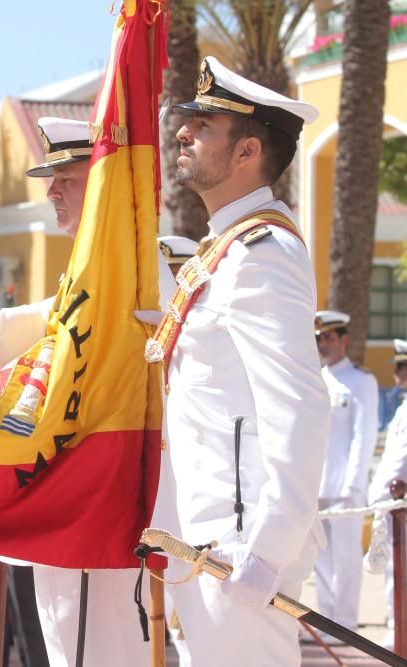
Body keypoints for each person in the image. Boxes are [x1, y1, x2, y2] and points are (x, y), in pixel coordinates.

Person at [0, 116, 178, 667]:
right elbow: (38, 324)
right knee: (71, 644)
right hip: (72, 487)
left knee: (99, 648)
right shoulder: (92, 265)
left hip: (106, 492)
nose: (51, 191)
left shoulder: (136, 263)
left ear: (107, 181)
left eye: (67, 176)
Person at [160, 56, 328, 666]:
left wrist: (268, 552)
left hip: (238, 545)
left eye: (203, 125)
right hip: (205, 537)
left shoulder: (262, 253)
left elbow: (300, 407)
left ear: (247, 151)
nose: (183, 132)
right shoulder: (225, 250)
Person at [313, 310, 378, 637]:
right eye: (319, 337)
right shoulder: (316, 379)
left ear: (344, 341)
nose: (322, 342)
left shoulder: (361, 381)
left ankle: (346, 623)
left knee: (347, 559)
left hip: (345, 487)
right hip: (317, 485)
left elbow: (363, 436)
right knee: (320, 559)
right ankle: (327, 622)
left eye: (328, 337)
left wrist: (353, 484)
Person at [368, 338, 407, 649]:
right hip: (395, 502)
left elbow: (400, 464)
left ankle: (401, 633)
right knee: (396, 572)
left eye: (402, 367)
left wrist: (384, 494)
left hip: (400, 503)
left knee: (401, 573)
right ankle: (397, 629)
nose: (397, 374)